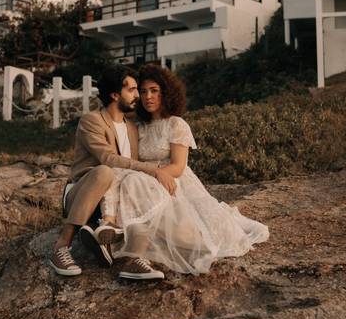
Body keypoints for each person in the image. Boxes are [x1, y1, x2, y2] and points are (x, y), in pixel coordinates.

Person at [105, 63, 269, 275]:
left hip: (175, 181)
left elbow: (178, 166)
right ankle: (125, 244)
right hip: (148, 180)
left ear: (166, 93)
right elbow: (135, 161)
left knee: (201, 237)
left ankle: (141, 253)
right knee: (129, 184)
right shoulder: (138, 127)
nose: (148, 97)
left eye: (154, 91)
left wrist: (159, 173)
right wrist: (151, 173)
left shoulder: (176, 124)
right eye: (143, 92)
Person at [48, 65, 176, 281]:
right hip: (84, 194)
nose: (138, 96)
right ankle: (61, 246)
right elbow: (108, 158)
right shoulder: (92, 121)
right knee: (106, 172)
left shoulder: (133, 128)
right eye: (132, 90)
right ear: (115, 94)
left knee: (139, 184)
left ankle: (128, 254)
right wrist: (155, 170)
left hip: (113, 203)